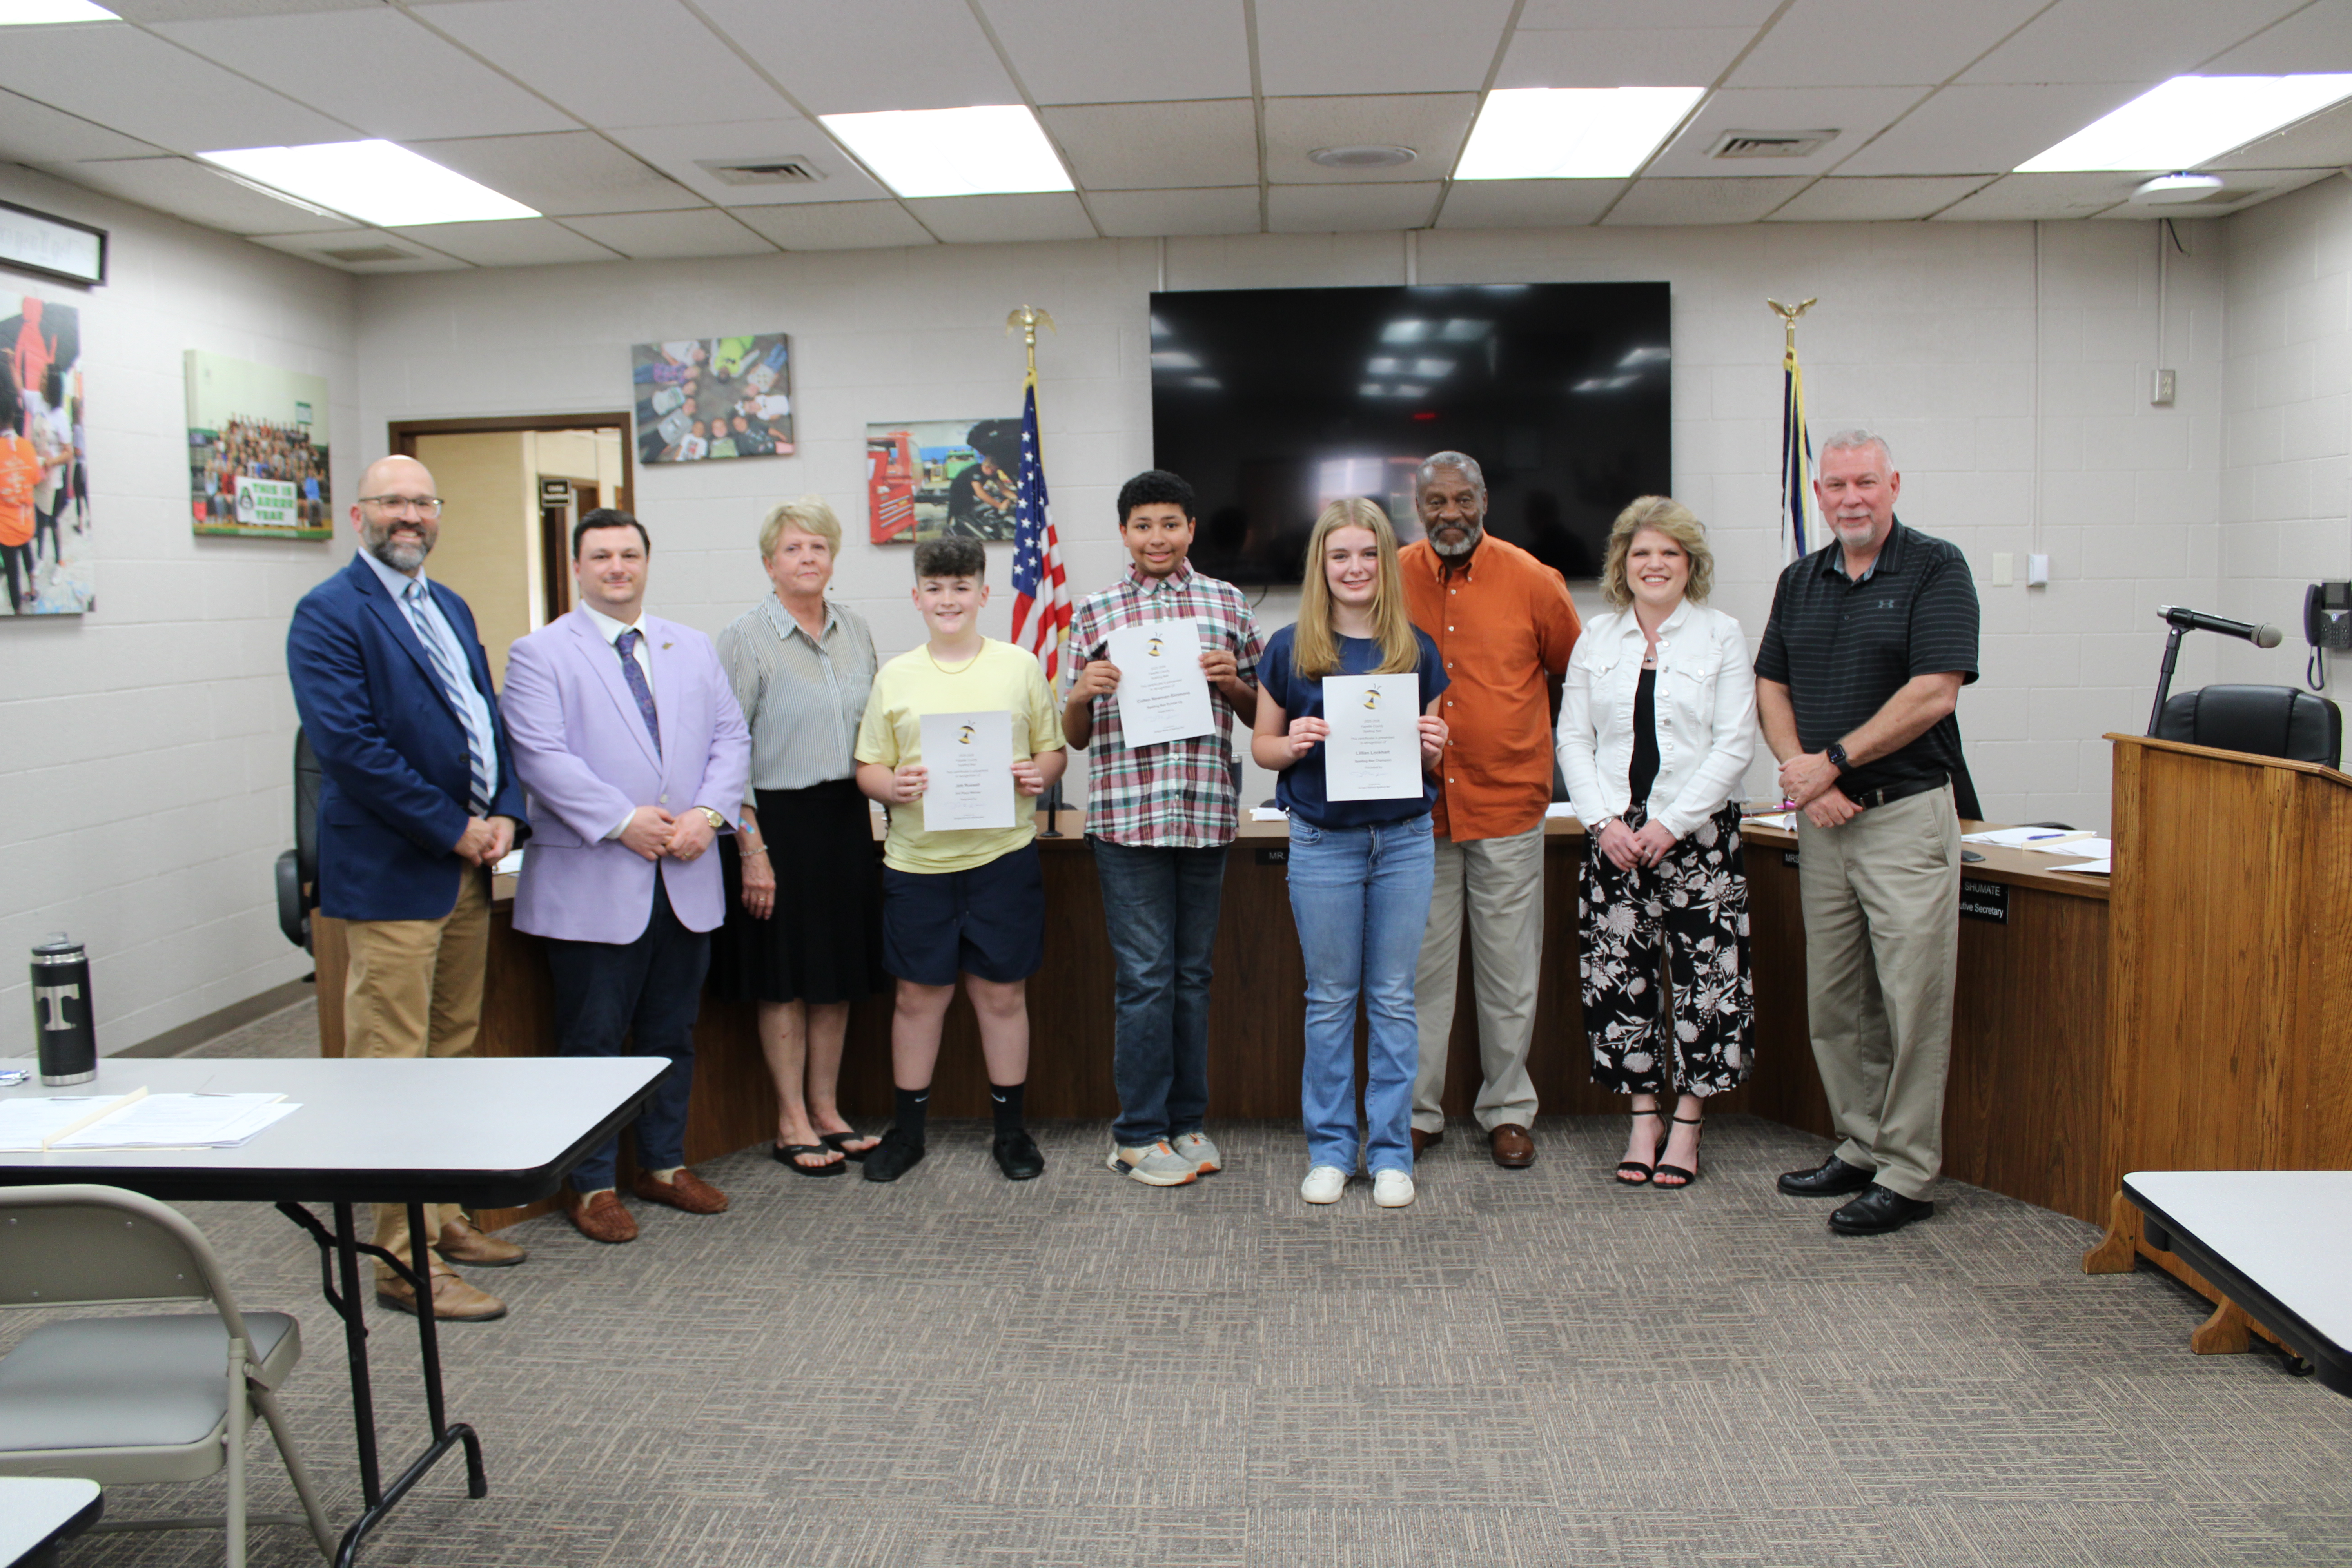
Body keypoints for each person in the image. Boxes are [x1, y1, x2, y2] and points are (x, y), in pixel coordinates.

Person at [285, 454, 530, 1322]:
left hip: (465, 868)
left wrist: (506, 813)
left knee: (451, 1052)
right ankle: (399, 1255)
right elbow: (351, 748)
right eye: (393, 502)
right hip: (394, 871)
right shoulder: (327, 615)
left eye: (424, 502)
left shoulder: (449, 604)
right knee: (391, 1065)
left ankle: (442, 1214)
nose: (411, 516)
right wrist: (452, 824)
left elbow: (486, 720)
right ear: (358, 515)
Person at [501, 509, 752, 1244]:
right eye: (601, 555)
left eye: (630, 554)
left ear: (647, 562)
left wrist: (708, 814)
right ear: (577, 568)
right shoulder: (540, 653)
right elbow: (540, 756)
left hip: (687, 872)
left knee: (672, 1033)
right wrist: (621, 821)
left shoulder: (691, 646)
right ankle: (592, 1183)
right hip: (595, 883)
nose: (617, 567)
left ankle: (665, 1166)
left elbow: (731, 737)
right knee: (593, 1043)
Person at [1757, 430, 1979, 1236]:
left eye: (1866, 483)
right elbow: (1770, 683)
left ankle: (1911, 1170)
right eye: (1836, 485)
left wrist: (1835, 763)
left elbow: (1935, 692)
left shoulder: (1936, 567)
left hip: (1903, 816)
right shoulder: (1800, 579)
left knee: (1912, 997)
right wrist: (1800, 771)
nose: (1851, 497)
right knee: (1838, 998)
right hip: (1824, 822)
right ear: (1817, 493)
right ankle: (1862, 1142)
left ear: (1893, 485)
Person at [1063, 469, 1264, 1187]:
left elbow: (1256, 713)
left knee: (1193, 978)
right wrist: (1084, 694)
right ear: (1125, 533)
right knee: (1145, 979)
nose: (1158, 538)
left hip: (1205, 815)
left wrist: (1231, 681)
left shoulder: (1226, 603)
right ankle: (1136, 1134)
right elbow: (1075, 736)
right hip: (1127, 821)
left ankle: (1186, 1124)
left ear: (1190, 529)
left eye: (1171, 524)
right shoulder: (1095, 613)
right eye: (1144, 525)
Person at [1253, 499, 1449, 1209]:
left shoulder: (1415, 648)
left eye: (1368, 554)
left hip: (1402, 841)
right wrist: (1294, 741)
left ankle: (1393, 1152)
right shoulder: (1289, 645)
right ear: (1322, 565)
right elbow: (1263, 746)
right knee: (1331, 1000)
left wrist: (1436, 747)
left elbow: (1432, 750)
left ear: (1385, 564)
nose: (1356, 567)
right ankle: (1332, 1150)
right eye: (1341, 556)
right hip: (1323, 844)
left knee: (1395, 999)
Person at [1556, 497, 1757, 1189]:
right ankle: (1644, 1117)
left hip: (1696, 837)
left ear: (1690, 564)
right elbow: (1573, 740)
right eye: (1642, 553)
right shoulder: (1597, 639)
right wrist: (1604, 823)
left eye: (1670, 553)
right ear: (1623, 564)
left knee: (1706, 985)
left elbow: (1735, 744)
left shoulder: (1722, 635)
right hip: (1613, 835)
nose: (1655, 564)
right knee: (1622, 980)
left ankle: (1689, 1124)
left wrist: (1670, 824)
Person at [854, 535, 1067, 1183]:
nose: (949, 599)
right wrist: (892, 787)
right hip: (918, 865)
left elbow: (1053, 752)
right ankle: (908, 1133)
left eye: (962, 587)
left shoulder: (1019, 666)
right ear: (917, 597)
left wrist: (1039, 772)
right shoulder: (896, 675)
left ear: (983, 594)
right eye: (936, 589)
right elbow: (868, 766)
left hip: (1001, 859)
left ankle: (1011, 1135)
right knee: (918, 999)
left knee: (1002, 998)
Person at [1399, 452, 1582, 1169]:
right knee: (1421, 974)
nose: (1451, 514)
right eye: (1436, 501)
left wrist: (1528, 740)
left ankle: (1507, 1111)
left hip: (1509, 804)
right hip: (1418, 811)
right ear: (1418, 507)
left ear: (1484, 501)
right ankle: (1418, 1114)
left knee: (1510, 973)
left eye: (1463, 500)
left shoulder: (1535, 581)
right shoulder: (1393, 575)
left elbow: (1578, 679)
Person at [711, 497, 884, 1176]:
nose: (806, 559)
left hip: (845, 822)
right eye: (792, 549)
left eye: (817, 548)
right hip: (774, 825)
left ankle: (828, 1110)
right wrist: (750, 848)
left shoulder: (857, 629)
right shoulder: (745, 637)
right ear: (769, 563)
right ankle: (790, 1120)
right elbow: (724, 751)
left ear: (832, 560)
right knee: (783, 980)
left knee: (834, 976)